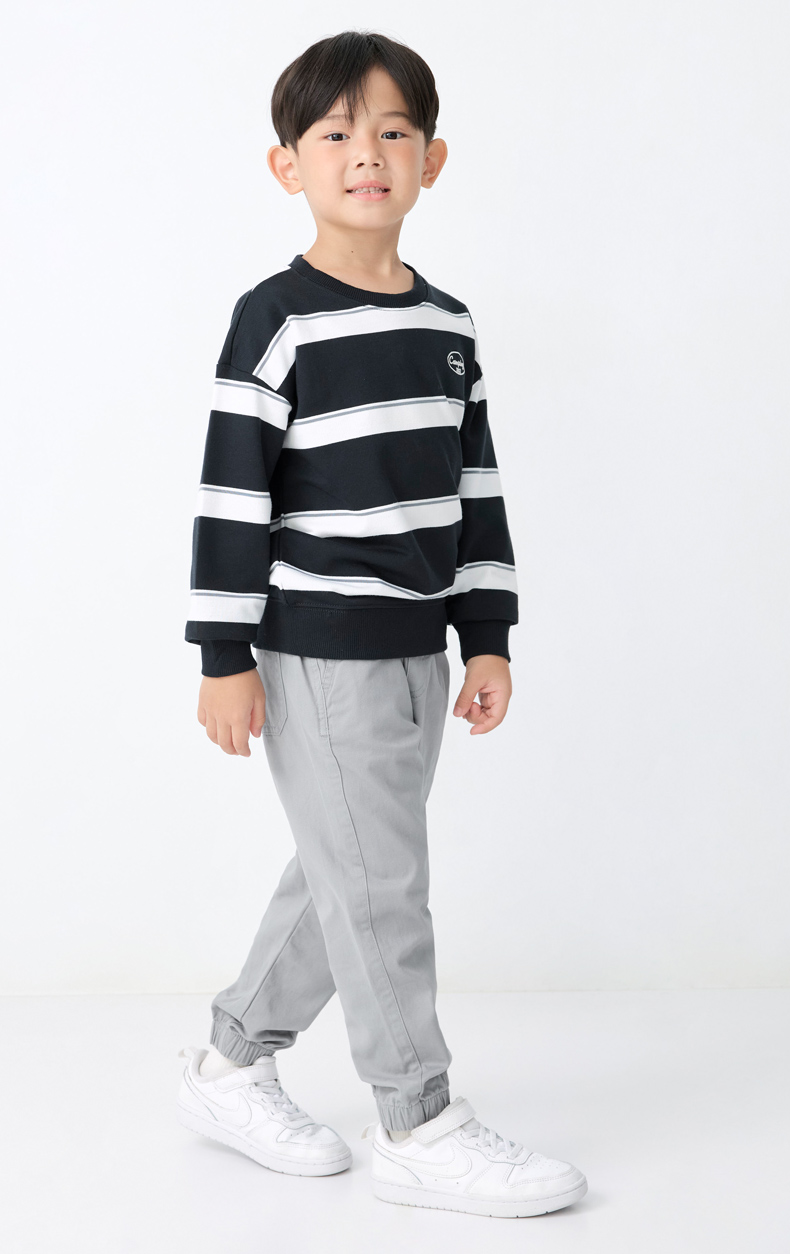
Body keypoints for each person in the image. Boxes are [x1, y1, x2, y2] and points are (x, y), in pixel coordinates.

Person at [177, 29, 587, 1219]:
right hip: (316, 649)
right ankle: (417, 1119)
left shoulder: (448, 328)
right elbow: (230, 494)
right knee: (382, 886)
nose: (367, 153)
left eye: (393, 131)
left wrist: (486, 632)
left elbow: (474, 492)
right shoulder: (275, 321)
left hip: (416, 650)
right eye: (337, 133)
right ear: (287, 166)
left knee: (349, 869)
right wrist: (223, 656)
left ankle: (228, 1063)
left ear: (431, 160)